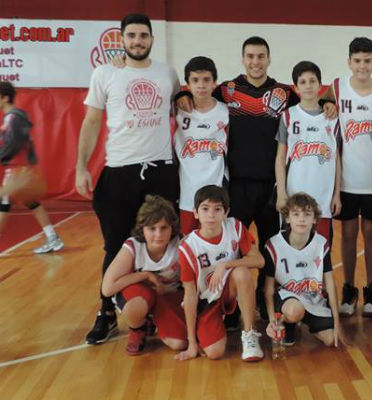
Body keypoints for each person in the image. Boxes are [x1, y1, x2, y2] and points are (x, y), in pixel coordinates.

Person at [177, 36, 335, 324]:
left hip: (272, 186)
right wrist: (180, 96)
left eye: (261, 56)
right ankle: (230, 305)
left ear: (269, 59)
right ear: (243, 59)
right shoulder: (228, 90)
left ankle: (266, 301)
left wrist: (327, 103)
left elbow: (310, 100)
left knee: (268, 248)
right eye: (250, 56)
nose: (255, 61)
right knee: (234, 247)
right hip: (236, 184)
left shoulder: (283, 93)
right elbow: (200, 94)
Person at [76, 13, 180, 345]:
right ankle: (106, 311)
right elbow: (92, 122)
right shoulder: (105, 73)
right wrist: (80, 166)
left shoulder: (167, 73)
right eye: (131, 35)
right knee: (115, 244)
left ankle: (163, 307)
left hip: (161, 170)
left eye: (143, 35)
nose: (137, 41)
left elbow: (185, 109)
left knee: (166, 241)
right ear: (121, 39)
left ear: (152, 39)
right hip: (120, 171)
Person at [323, 37, 372, 317]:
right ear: (349, 62)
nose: (362, 66)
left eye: (367, 61)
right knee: (347, 236)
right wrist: (327, 104)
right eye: (357, 61)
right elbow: (323, 105)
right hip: (345, 179)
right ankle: (349, 288)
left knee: (370, 236)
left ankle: (370, 288)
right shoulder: (337, 87)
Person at [176, 185, 265, 361]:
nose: (211, 215)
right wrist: (191, 343)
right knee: (214, 352)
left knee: (242, 273)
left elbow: (259, 260)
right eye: (205, 209)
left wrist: (225, 265)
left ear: (226, 212)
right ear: (195, 213)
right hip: (206, 301)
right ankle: (206, 328)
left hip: (228, 291)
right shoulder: (188, 247)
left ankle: (250, 335)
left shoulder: (235, 227)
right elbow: (190, 294)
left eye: (217, 209)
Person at [100, 195, 187, 355]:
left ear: (172, 228)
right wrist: (145, 275)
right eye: (152, 228)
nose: (158, 234)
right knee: (136, 304)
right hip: (140, 295)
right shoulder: (133, 246)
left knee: (179, 343)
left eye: (164, 228)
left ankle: (153, 320)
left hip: (168, 296)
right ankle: (137, 329)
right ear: (142, 228)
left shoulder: (181, 245)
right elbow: (107, 289)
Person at [263, 193, 347, 348]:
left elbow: (330, 284)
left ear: (314, 219)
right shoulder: (274, 245)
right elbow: (268, 289)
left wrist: (337, 323)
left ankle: (306, 322)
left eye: (307, 214)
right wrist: (272, 321)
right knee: (294, 311)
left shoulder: (321, 244)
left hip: (313, 298)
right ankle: (288, 323)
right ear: (288, 218)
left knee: (331, 340)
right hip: (288, 300)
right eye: (296, 214)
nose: (301, 219)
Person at [275, 61, 342, 242]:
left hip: (323, 198)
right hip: (294, 195)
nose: (308, 86)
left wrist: (337, 194)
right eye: (303, 82)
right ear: (296, 88)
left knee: (321, 250)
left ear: (320, 85)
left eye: (312, 81)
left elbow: (336, 158)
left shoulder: (333, 118)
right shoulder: (288, 116)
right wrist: (281, 192)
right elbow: (280, 157)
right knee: (292, 248)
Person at [0, 81, 64, 254]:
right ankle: (52, 237)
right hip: (22, 167)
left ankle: (52, 237)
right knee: (32, 202)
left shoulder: (12, 117)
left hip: (16, 168)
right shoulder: (16, 117)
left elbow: (13, 144)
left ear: (4, 98)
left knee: (3, 203)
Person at [174, 56, 229, 235]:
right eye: (195, 80)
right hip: (187, 195)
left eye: (206, 80)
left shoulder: (226, 112)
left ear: (214, 83)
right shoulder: (176, 111)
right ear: (187, 84)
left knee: (215, 242)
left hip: (217, 195)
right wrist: (179, 96)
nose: (201, 85)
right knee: (187, 242)